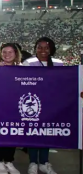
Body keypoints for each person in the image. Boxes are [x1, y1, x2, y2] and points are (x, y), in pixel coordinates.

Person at [22, 37, 62, 174]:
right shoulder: (28, 62)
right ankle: (33, 162)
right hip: (33, 104)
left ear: (51, 49)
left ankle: (44, 162)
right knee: (33, 133)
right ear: (35, 48)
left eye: (46, 47)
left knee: (46, 132)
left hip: (51, 104)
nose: (43, 50)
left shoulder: (59, 64)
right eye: (40, 47)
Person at [0, 44, 21, 174]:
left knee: (12, 133)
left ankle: (9, 161)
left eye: (10, 52)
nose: (7, 54)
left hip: (14, 107)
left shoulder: (22, 69)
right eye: (4, 52)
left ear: (16, 54)